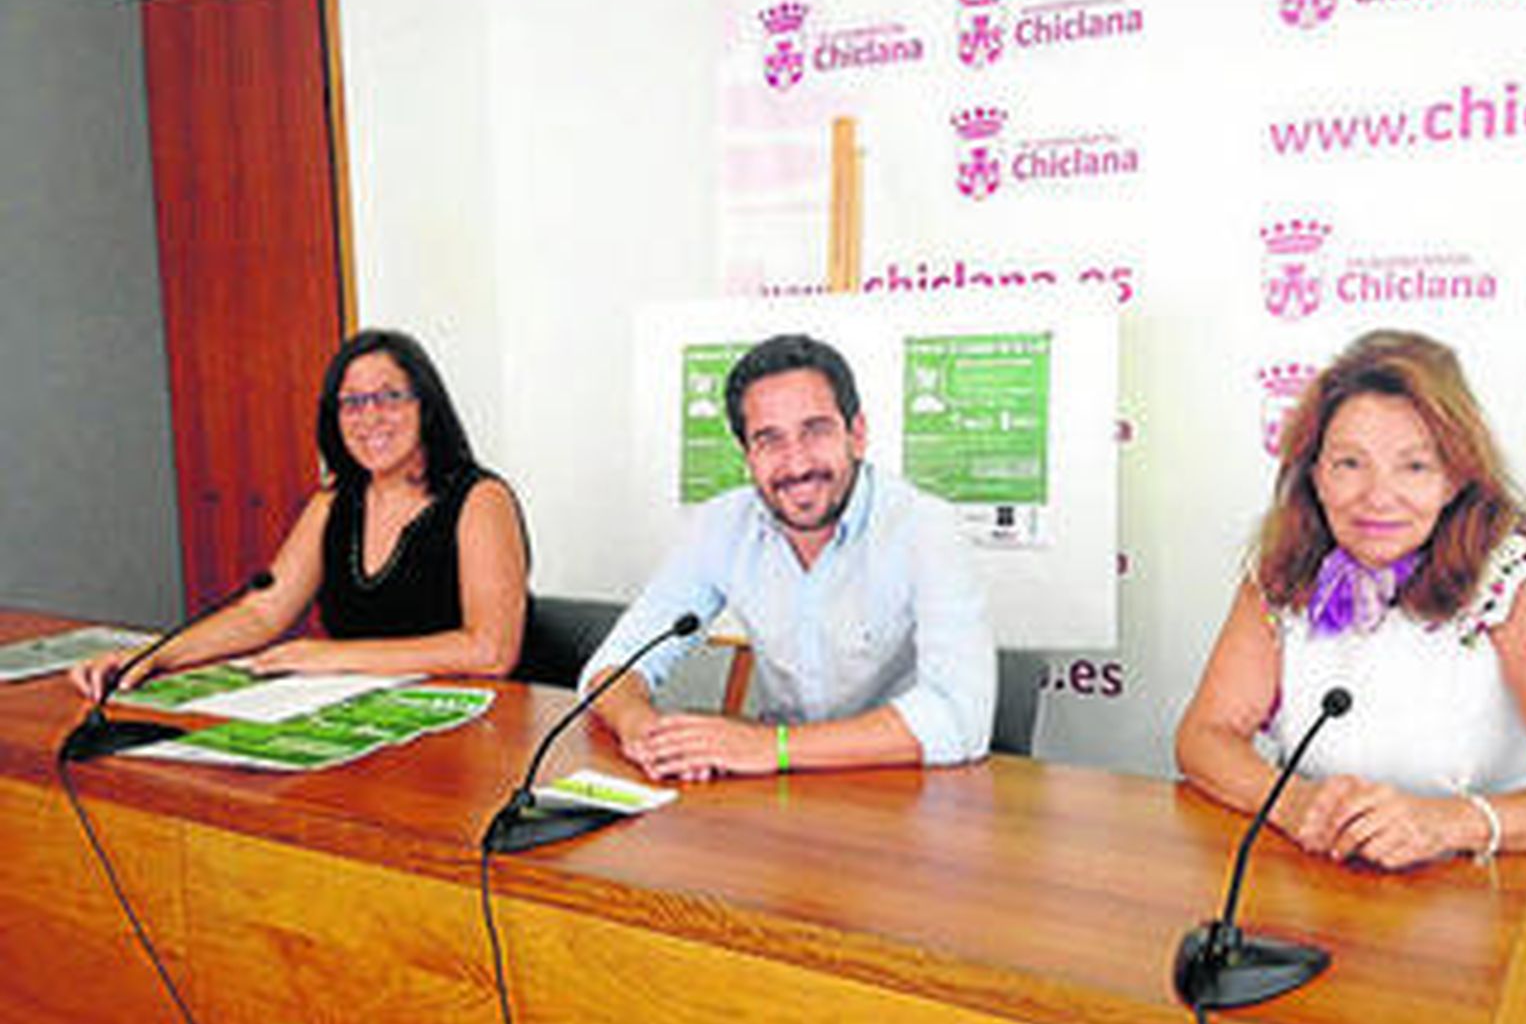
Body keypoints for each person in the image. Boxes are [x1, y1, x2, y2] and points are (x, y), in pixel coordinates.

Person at [1176, 329, 1526, 870]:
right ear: (1315, 476)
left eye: (1415, 466)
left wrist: (1449, 823)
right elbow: (1204, 737)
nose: (1377, 496)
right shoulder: (1285, 566)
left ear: (1455, 479)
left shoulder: (1515, 579)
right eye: (1349, 464)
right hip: (1314, 872)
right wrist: (1293, 804)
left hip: (1477, 890)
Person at [582, 333, 996, 781]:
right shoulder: (722, 525)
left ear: (856, 435)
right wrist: (645, 732)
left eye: (815, 431)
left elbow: (961, 719)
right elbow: (613, 666)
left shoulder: (925, 527)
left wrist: (772, 746)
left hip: (901, 787)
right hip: (778, 791)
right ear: (747, 456)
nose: (796, 464)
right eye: (769, 440)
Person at [71, 329, 537, 697]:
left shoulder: (480, 500)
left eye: (389, 396)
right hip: (363, 716)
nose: (369, 417)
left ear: (426, 407)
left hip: (473, 729)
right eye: (352, 402)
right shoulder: (332, 504)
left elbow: (490, 651)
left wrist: (332, 656)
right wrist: (154, 655)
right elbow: (263, 613)